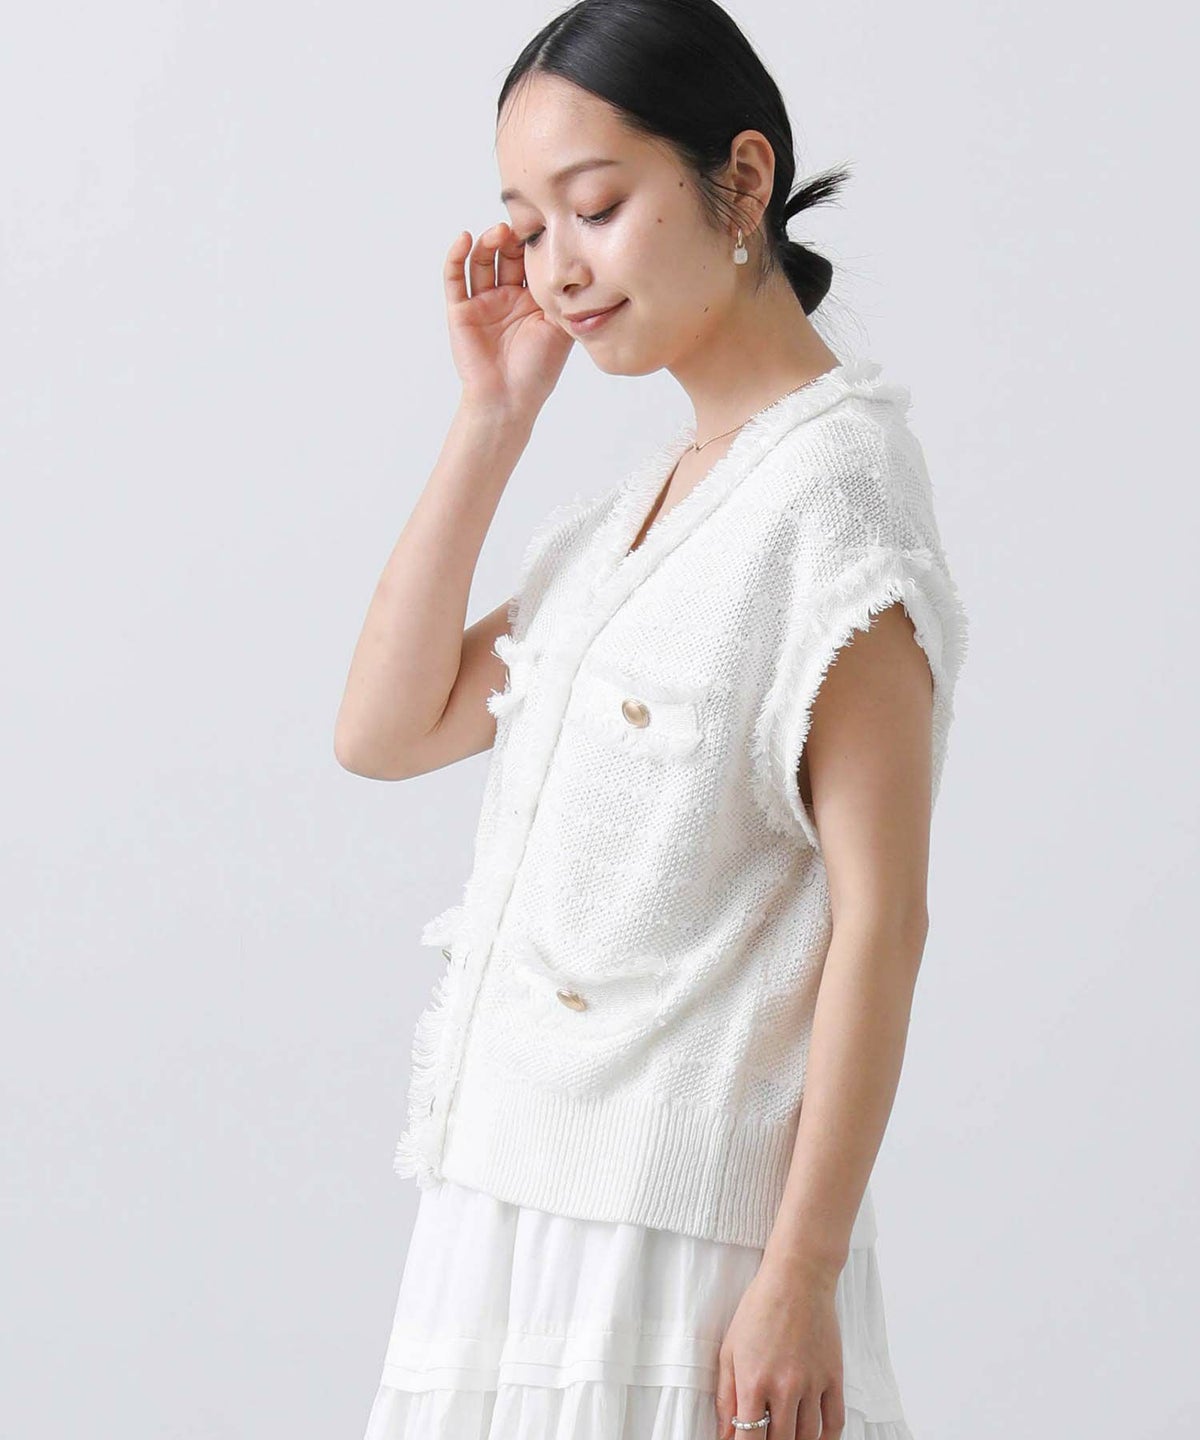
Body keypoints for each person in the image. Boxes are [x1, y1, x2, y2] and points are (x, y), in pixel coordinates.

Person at [337, 2, 969, 1437]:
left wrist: (802, 1273)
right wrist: (493, 417)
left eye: (598, 207)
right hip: (505, 1218)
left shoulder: (835, 501)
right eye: (528, 226)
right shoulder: (645, 515)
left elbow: (884, 918)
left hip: (672, 1255)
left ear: (740, 181)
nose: (558, 267)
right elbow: (383, 731)